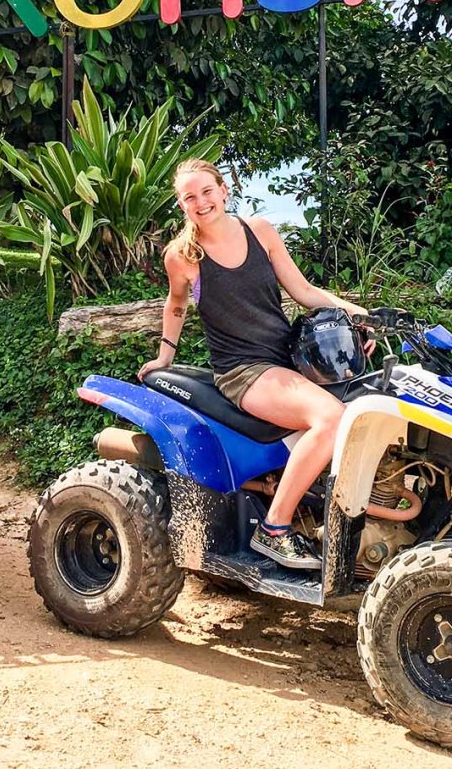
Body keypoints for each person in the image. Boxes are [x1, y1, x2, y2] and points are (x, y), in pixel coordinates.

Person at [139, 159, 369, 570]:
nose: (201, 202)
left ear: (224, 190)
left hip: (287, 360)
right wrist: (164, 356)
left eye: (207, 191)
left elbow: (302, 290)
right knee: (331, 419)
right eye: (190, 197)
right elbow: (176, 305)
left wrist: (357, 313)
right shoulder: (183, 256)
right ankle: (275, 528)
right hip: (243, 370)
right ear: (181, 205)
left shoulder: (260, 231)